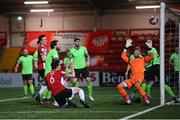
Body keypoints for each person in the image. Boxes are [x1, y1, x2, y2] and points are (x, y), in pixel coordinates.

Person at [117, 39, 153, 105]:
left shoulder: (143, 59)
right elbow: (123, 56)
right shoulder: (131, 60)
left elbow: (151, 57)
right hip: (132, 79)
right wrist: (126, 47)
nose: (136, 52)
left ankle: (146, 100)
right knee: (119, 86)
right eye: (135, 51)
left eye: (138, 51)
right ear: (133, 53)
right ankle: (128, 100)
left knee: (137, 86)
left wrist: (150, 48)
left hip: (139, 78)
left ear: (139, 53)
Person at [34, 35, 48, 104]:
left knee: (46, 83)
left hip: (43, 68)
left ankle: (39, 96)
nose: (46, 40)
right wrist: (52, 60)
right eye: (44, 39)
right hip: (43, 68)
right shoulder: (42, 48)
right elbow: (43, 59)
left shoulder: (44, 47)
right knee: (49, 83)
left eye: (46, 39)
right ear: (41, 41)